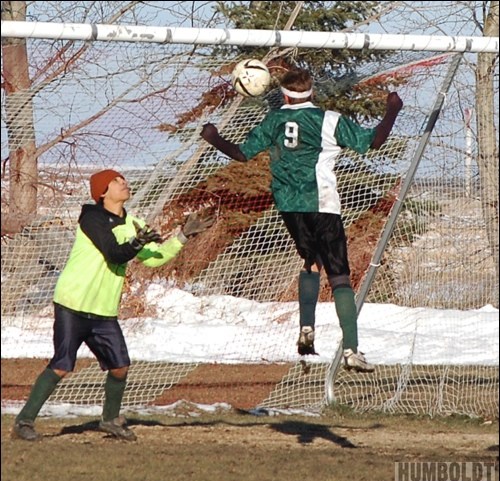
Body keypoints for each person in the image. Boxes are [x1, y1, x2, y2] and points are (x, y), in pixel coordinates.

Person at [201, 68, 403, 373]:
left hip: (289, 207)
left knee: (310, 261)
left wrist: (214, 138)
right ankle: (351, 349)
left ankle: (306, 329)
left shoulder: (274, 121)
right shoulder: (329, 120)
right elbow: (374, 141)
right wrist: (392, 110)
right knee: (339, 276)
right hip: (321, 203)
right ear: (312, 93)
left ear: (284, 95)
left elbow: (242, 154)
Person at [12, 169, 214, 441]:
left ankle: (110, 420)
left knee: (120, 367)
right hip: (73, 302)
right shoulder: (92, 218)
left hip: (104, 310)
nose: (124, 183)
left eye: (123, 179)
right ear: (102, 192)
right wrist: (136, 242)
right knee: (62, 365)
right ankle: (24, 422)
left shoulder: (133, 223)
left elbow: (153, 258)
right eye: (117, 181)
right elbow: (114, 252)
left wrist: (183, 236)